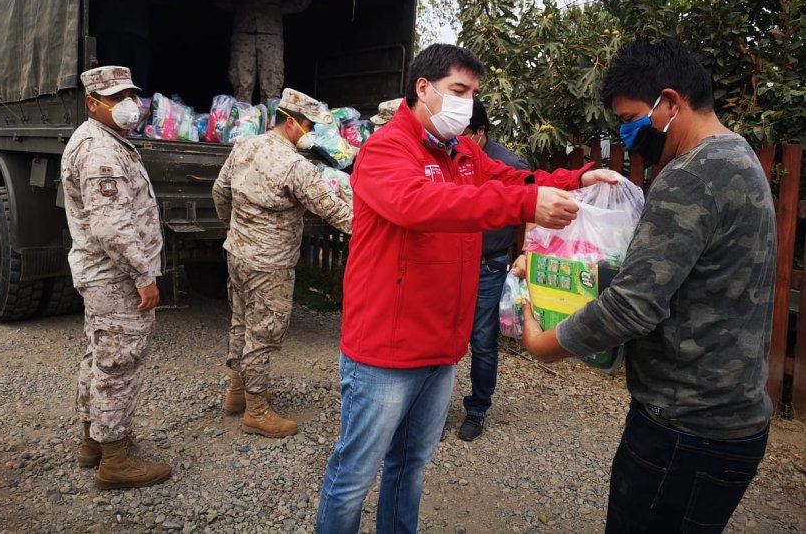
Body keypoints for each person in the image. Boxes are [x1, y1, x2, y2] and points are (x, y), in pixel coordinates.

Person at [315, 43, 617, 533]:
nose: (467, 103)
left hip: (441, 345)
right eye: (459, 90)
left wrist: (577, 178)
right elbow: (421, 204)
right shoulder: (387, 150)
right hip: (385, 350)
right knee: (354, 476)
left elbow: (517, 176)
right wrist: (523, 205)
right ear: (423, 88)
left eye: (473, 93)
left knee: (410, 467)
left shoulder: (463, 152)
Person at [520, 39, 777, 534]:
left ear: (670, 101)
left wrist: (543, 345)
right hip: (727, 417)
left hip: (684, 427)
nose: (627, 132)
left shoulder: (692, 175)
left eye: (631, 118)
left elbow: (630, 307)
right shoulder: (738, 156)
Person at [212, 87, 352, 438]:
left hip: (238, 254)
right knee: (263, 333)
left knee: (241, 322)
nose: (312, 132)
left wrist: (235, 228)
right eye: (309, 125)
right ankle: (257, 411)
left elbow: (220, 191)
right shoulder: (296, 166)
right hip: (270, 264)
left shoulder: (244, 146)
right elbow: (334, 212)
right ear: (291, 122)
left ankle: (237, 391)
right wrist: (376, 225)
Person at [62, 65, 170, 490]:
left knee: (99, 355)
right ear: (92, 103)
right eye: (116, 98)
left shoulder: (103, 140)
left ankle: (93, 441)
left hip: (105, 276)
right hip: (116, 278)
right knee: (119, 363)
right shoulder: (100, 151)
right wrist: (144, 276)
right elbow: (112, 227)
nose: (128, 104)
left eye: (130, 95)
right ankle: (115, 460)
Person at [454, 98, 529, 441]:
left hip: (489, 264)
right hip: (451, 263)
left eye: (463, 133)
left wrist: (525, 253)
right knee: (441, 335)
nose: (455, 140)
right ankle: (430, 409)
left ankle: (477, 408)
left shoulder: (508, 164)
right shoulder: (450, 158)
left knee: (483, 340)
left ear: (480, 131)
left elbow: (531, 209)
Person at [208, 0, 311, 104]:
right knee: (241, 84)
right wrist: (235, 7)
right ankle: (243, 119)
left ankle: (269, 119)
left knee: (271, 85)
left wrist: (279, 10)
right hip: (243, 32)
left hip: (271, 33)